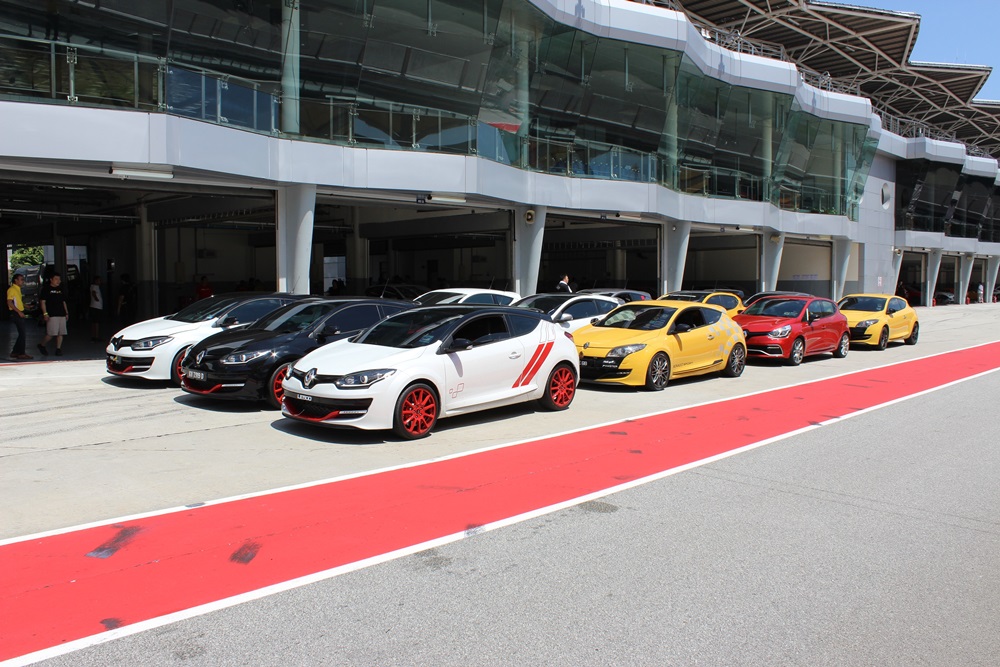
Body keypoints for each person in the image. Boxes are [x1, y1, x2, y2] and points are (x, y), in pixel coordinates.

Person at [38, 272, 69, 357]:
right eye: (56, 279)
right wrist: (45, 313)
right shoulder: (46, 289)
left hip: (61, 313)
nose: (58, 281)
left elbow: (63, 302)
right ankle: (42, 345)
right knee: (51, 333)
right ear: (51, 280)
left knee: (61, 333)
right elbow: (42, 302)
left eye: (59, 279)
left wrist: (66, 312)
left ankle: (58, 349)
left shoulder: (61, 289)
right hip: (52, 314)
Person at [7, 273, 32, 360]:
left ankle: (15, 352)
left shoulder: (17, 289)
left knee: (21, 333)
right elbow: (10, 302)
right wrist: (19, 312)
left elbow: (18, 301)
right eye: (21, 279)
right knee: (22, 333)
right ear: (16, 280)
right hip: (16, 313)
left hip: (18, 312)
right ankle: (21, 353)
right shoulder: (12, 289)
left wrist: (25, 306)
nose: (23, 281)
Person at [89, 276, 103, 342]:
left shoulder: (92, 286)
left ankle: (93, 336)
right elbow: (93, 292)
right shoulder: (95, 286)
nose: (100, 282)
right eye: (99, 280)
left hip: (93, 306)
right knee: (96, 322)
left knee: (94, 321)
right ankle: (96, 336)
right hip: (97, 306)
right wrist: (96, 298)